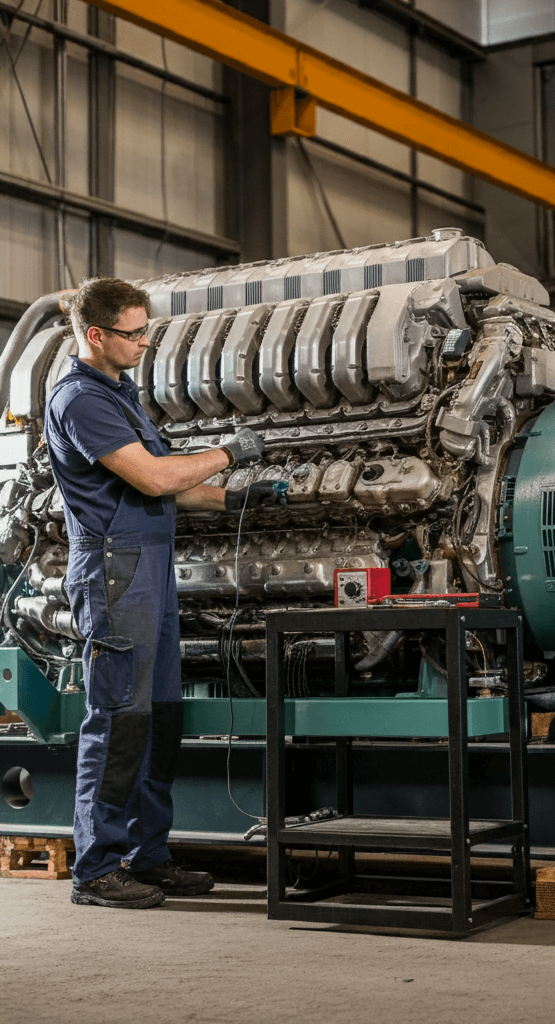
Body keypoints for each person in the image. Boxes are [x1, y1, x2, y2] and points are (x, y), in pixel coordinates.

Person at [43, 277, 281, 909]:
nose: (145, 342)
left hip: (149, 567)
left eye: (147, 329)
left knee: (161, 719)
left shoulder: (121, 396)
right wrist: (228, 452)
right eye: (134, 332)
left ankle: (147, 855)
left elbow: (167, 485)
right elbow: (152, 476)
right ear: (96, 335)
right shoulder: (80, 400)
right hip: (115, 573)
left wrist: (233, 497)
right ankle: (96, 869)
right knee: (121, 720)